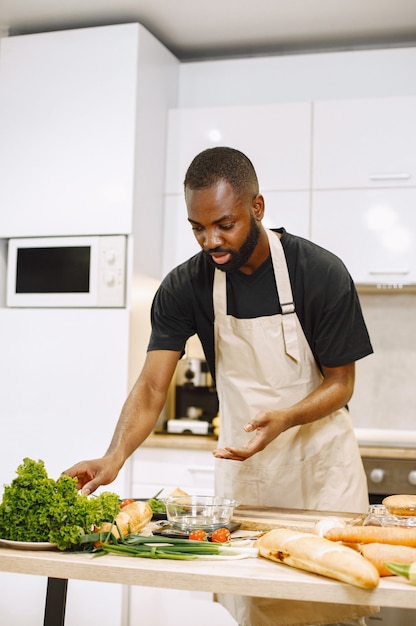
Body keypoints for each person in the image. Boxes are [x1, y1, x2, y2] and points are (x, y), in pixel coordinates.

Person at [64, 147, 377, 626]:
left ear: (257, 207)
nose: (211, 240)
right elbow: (151, 388)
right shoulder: (185, 286)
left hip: (324, 476)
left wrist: (287, 417)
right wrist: (113, 457)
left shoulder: (320, 273)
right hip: (247, 479)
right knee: (260, 609)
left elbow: (342, 384)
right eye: (197, 227)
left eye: (224, 224)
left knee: (333, 608)